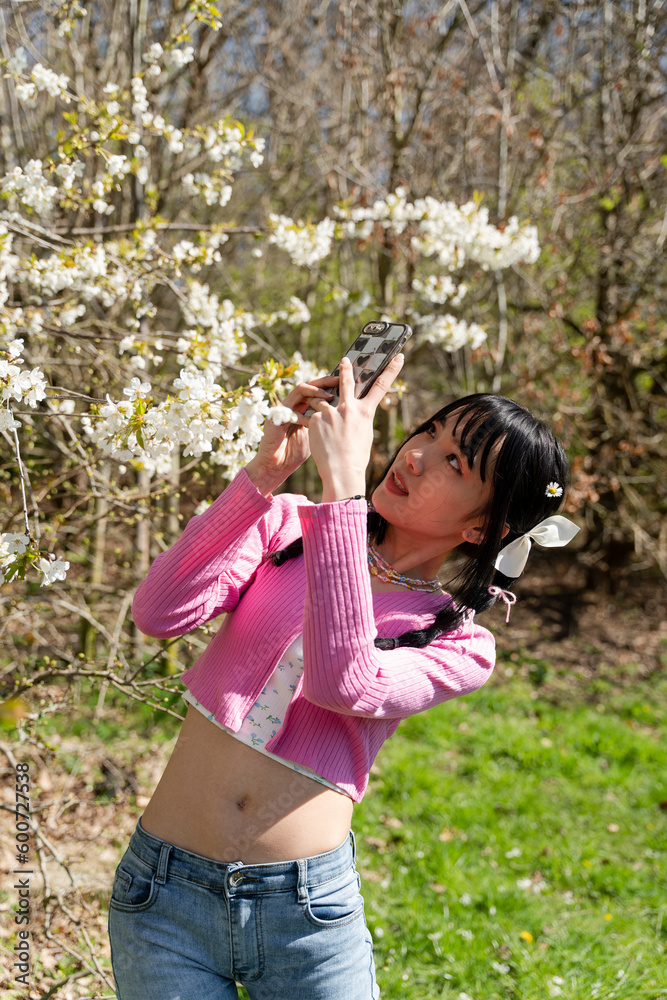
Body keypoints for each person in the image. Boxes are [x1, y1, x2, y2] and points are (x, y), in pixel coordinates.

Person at [108, 353, 578, 1000]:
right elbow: (159, 612)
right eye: (428, 432)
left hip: (302, 920)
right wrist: (264, 475)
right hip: (162, 898)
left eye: (454, 462)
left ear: (482, 528)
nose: (415, 456)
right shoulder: (285, 525)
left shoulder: (460, 643)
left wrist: (343, 495)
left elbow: (345, 682)